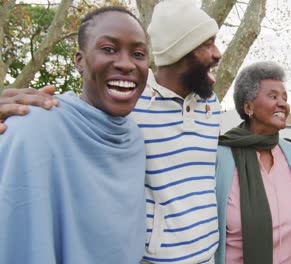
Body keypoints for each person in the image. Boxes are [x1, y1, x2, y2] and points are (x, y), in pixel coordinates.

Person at [0, 1, 222, 263]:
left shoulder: (209, 106)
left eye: (138, 54)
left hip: (207, 253)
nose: (217, 53)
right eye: (207, 45)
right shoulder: (125, 106)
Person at [0, 6, 149, 263]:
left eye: (138, 54)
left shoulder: (134, 138)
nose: (126, 64)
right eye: (109, 49)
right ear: (80, 60)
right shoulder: (31, 128)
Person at [214, 61, 291, 263]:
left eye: (285, 97)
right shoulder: (221, 156)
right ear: (248, 106)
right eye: (273, 96)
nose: (283, 103)